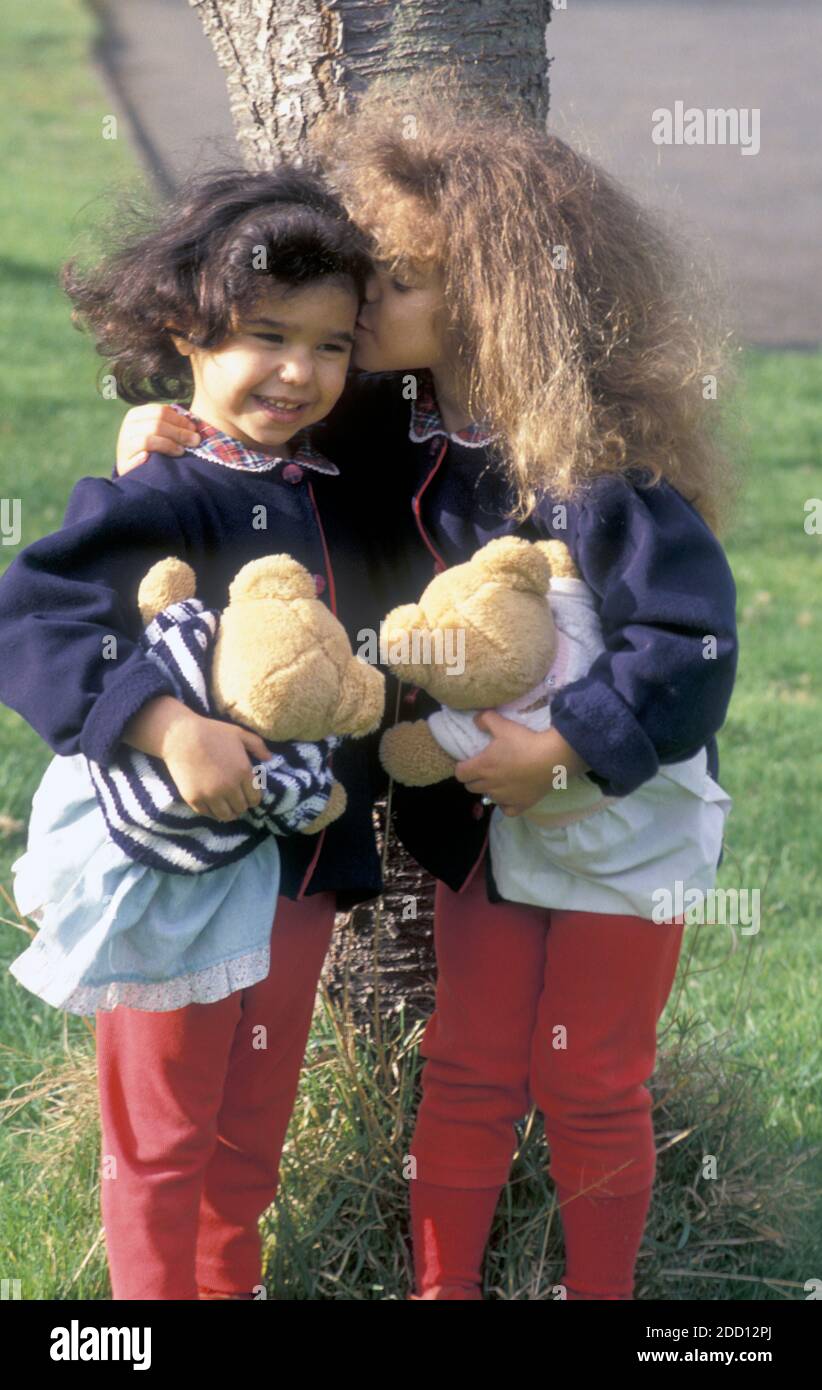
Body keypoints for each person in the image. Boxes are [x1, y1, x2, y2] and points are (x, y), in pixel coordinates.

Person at [114, 69, 741, 1300]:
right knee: (465, 1064)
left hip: (614, 828)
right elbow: (261, 467)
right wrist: (156, 437)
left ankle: (602, 1295)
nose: (367, 299)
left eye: (399, 279)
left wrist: (564, 751)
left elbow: (691, 646)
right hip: (475, 831)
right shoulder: (387, 436)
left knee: (589, 1077)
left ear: (491, 294)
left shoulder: (596, 468)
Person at [0, 164, 390, 1300]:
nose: (299, 371)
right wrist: (169, 728)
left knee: (247, 1140)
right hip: (171, 877)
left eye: (329, 345)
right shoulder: (159, 491)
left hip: (298, 871)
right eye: (266, 335)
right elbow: (35, 620)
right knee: (165, 1139)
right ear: (187, 331)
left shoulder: (331, 484)